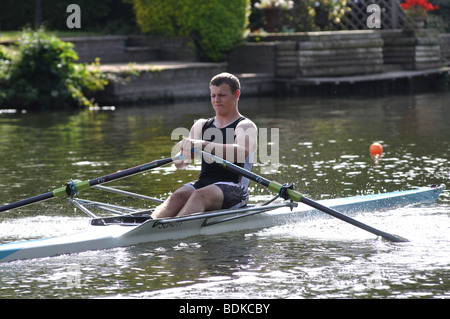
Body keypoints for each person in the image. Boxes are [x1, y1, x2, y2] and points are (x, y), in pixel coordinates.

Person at [151, 73, 258, 219]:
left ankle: (173, 228)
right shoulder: (201, 125)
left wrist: (202, 144)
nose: (216, 100)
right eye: (213, 95)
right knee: (179, 195)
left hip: (235, 188)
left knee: (199, 195)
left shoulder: (245, 125)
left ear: (236, 94)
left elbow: (240, 153)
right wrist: (182, 155)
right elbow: (183, 164)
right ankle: (150, 223)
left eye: (222, 95)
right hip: (204, 183)